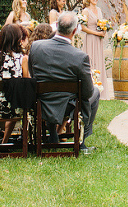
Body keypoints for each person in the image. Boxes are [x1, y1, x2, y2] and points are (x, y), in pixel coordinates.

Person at [30, 11, 100, 146]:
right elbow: (87, 92)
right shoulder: (80, 56)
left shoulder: (36, 47)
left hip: (41, 102)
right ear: (74, 31)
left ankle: (52, 131)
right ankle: (82, 139)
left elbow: (33, 75)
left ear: (56, 25)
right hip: (67, 106)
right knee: (95, 92)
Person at [0, 23, 27, 137]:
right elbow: (26, 84)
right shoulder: (22, 59)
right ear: (18, 39)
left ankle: (3, 139)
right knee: (17, 99)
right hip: (15, 108)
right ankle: (7, 139)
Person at [79, 0, 106, 93]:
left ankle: (101, 89)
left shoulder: (99, 10)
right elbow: (83, 28)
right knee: (91, 59)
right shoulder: (86, 11)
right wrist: (96, 33)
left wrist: (103, 30)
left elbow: (102, 23)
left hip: (99, 39)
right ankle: (91, 89)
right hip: (90, 38)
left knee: (99, 59)